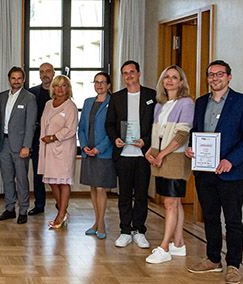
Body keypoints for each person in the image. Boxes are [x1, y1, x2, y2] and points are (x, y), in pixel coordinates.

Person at [185, 60, 243, 284]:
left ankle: (233, 264)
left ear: (229, 77)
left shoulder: (242, 102)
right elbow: (196, 130)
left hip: (232, 173)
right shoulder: (201, 102)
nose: (215, 78)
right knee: (210, 217)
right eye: (211, 75)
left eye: (220, 74)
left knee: (232, 220)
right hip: (205, 171)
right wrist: (192, 147)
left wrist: (231, 160)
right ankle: (213, 259)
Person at [144, 65, 193, 264]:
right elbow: (158, 134)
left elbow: (182, 134)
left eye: (175, 77)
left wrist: (163, 154)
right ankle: (179, 244)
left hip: (176, 158)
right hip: (159, 158)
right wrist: (150, 151)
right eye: (166, 77)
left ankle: (164, 247)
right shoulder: (159, 105)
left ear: (181, 82)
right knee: (174, 202)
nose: (170, 80)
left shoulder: (187, 103)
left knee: (170, 203)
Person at [105, 60, 156, 249]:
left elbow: (156, 125)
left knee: (141, 195)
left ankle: (139, 231)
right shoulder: (117, 98)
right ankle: (125, 231)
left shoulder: (151, 95)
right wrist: (115, 138)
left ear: (139, 73)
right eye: (125, 73)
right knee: (124, 195)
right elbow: (109, 124)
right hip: (123, 154)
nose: (129, 76)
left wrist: (146, 140)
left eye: (132, 72)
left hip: (143, 155)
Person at [0, 66, 37, 224]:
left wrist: (27, 146)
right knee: (7, 178)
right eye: (13, 78)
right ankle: (10, 208)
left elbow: (30, 124)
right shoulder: (2, 96)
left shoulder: (29, 97)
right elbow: (0, 121)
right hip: (4, 143)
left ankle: (24, 210)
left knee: (21, 179)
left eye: (19, 78)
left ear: (24, 79)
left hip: (21, 146)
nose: (16, 81)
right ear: (9, 79)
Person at [78, 72, 116, 240]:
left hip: (104, 153)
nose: (99, 85)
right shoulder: (88, 102)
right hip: (88, 152)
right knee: (93, 187)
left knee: (101, 188)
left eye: (103, 82)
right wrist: (85, 145)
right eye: (97, 82)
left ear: (108, 85)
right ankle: (96, 222)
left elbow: (113, 130)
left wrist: (99, 149)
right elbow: (81, 127)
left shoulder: (113, 102)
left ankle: (101, 224)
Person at [38, 75, 78, 229]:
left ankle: (61, 214)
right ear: (52, 88)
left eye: (63, 85)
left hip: (63, 148)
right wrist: (46, 139)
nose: (60, 89)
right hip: (48, 148)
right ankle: (63, 210)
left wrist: (54, 137)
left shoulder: (70, 106)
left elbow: (71, 129)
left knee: (63, 181)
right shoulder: (48, 104)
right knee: (51, 180)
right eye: (57, 85)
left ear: (68, 88)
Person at [27, 63, 54, 216]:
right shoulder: (32, 93)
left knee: (56, 174)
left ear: (53, 73)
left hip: (56, 140)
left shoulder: (60, 91)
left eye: (48, 71)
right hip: (37, 139)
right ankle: (39, 204)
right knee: (38, 173)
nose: (45, 74)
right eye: (42, 71)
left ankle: (60, 206)